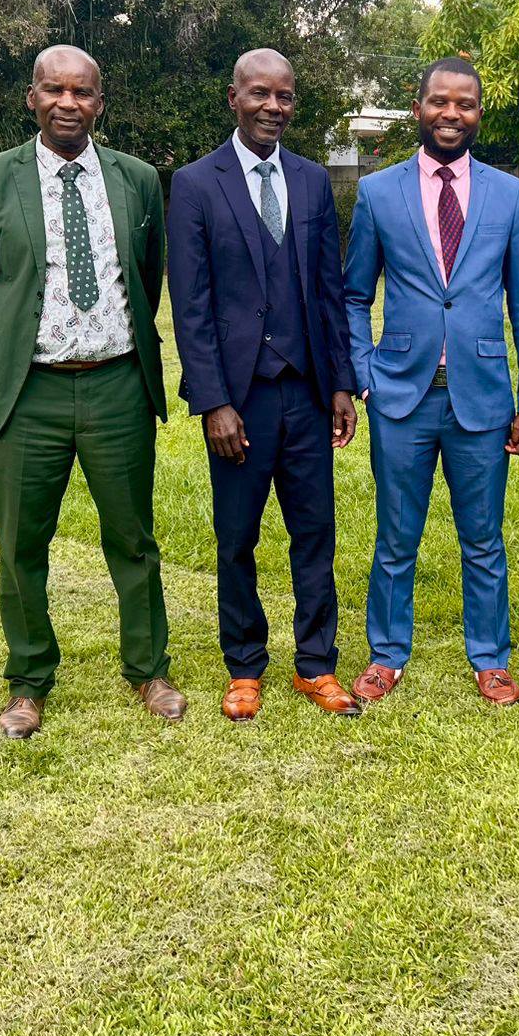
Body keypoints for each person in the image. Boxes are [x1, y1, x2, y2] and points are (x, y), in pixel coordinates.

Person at [0, 44, 183, 739]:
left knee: (133, 539)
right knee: (22, 544)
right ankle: (28, 680)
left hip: (118, 386)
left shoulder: (137, 178)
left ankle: (148, 669)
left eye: (82, 92)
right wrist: (25, 351)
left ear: (99, 103)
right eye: (54, 90)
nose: (68, 103)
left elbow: (146, 275)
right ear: (31, 98)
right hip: (31, 394)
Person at [343, 56, 519, 706]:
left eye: (464, 103)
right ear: (419, 108)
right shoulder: (379, 193)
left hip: (482, 399)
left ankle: (490, 657)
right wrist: (364, 375)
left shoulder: (508, 194)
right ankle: (386, 654)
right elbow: (354, 296)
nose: (451, 114)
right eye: (440, 101)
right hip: (401, 395)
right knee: (395, 537)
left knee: (483, 539)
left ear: (478, 113)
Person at [167, 48, 360, 721]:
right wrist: (213, 401)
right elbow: (190, 305)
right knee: (237, 537)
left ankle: (317, 664)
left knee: (315, 533)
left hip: (305, 392)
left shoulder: (311, 181)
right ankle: (245, 665)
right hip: (239, 400)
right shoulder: (196, 184)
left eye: (284, 96)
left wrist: (341, 383)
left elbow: (329, 291)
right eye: (260, 94)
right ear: (234, 98)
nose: (273, 107)